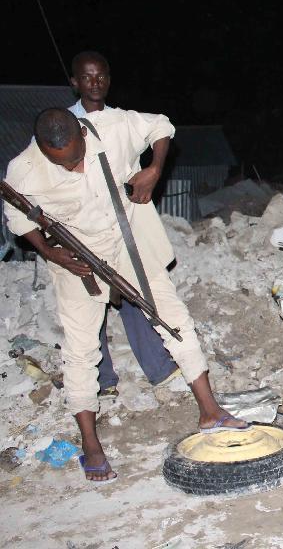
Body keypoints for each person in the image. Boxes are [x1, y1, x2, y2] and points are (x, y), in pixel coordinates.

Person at [3, 108, 247, 484]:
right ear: (43, 152)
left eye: (76, 159)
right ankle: (91, 446)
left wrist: (154, 168)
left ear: (84, 136)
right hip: (75, 260)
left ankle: (210, 410)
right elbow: (18, 220)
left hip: (124, 243)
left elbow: (163, 126)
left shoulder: (112, 129)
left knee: (173, 317)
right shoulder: (24, 168)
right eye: (62, 165)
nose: (74, 169)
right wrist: (51, 253)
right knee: (82, 350)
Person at [68, 50, 179, 396]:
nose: (95, 83)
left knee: (133, 292)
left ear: (109, 80)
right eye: (87, 77)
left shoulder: (123, 120)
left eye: (101, 76)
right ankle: (101, 381)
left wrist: (154, 169)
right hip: (80, 225)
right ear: (75, 82)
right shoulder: (61, 124)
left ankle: (159, 368)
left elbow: (163, 125)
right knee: (90, 298)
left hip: (121, 223)